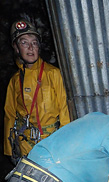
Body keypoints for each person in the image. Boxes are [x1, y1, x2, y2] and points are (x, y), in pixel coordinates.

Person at [4, 19, 70, 164]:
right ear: (16, 48)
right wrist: (10, 150)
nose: (30, 48)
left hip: (52, 143)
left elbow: (65, 111)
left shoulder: (52, 74)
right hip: (25, 145)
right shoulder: (15, 81)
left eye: (34, 43)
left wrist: (65, 144)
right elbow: (9, 115)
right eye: (24, 43)